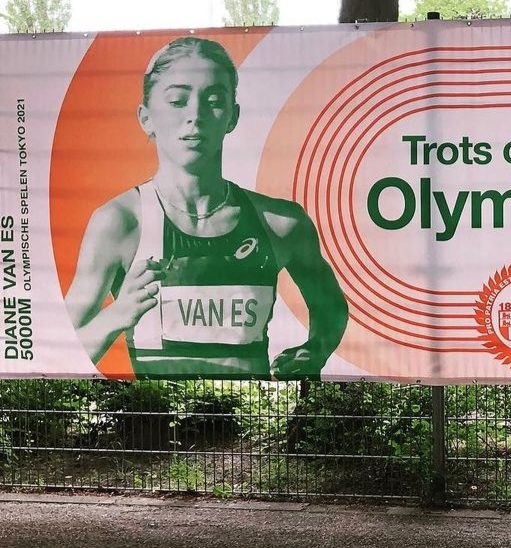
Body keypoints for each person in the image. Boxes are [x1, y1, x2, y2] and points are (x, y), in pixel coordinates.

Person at [65, 36, 348, 378]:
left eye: (213, 100)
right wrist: (118, 314)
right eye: (177, 101)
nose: (195, 116)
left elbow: (331, 307)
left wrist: (313, 351)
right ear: (146, 118)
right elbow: (61, 350)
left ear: (232, 116)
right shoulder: (121, 222)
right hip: (154, 427)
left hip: (254, 424)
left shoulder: (280, 222)